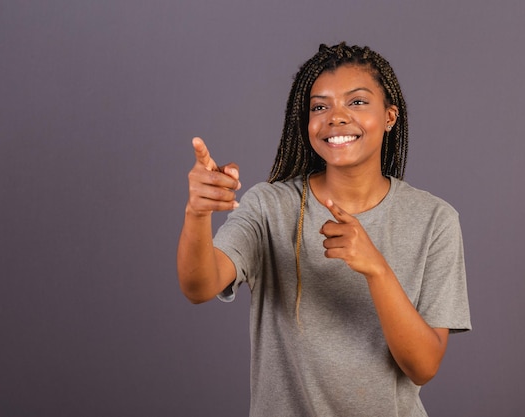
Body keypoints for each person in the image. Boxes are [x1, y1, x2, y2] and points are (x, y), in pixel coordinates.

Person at [177, 42, 471, 416]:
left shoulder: (435, 219)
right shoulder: (271, 206)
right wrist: (197, 213)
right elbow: (199, 286)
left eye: (358, 102)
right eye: (320, 106)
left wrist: (376, 268)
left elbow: (424, 366)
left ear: (390, 116)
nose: (336, 116)